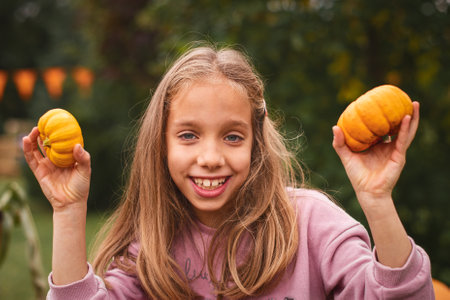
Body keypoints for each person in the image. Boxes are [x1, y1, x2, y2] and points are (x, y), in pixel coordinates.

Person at [23, 45, 433, 299]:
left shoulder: (311, 225)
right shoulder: (148, 248)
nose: (211, 157)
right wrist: (68, 211)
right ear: (160, 142)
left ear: (256, 137)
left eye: (232, 137)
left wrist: (377, 202)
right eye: (188, 136)